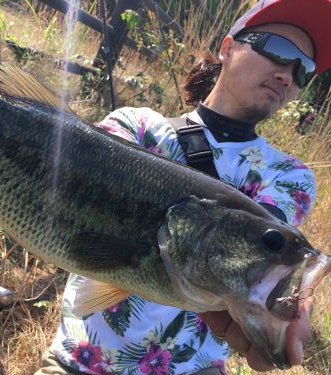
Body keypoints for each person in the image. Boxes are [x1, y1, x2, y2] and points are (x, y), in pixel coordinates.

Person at [35, 0, 331, 374]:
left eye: (302, 70)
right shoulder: (137, 127)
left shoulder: (290, 176)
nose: (287, 76)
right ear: (227, 48)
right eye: (279, 51)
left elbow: (260, 252)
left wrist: (286, 304)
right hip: (79, 360)